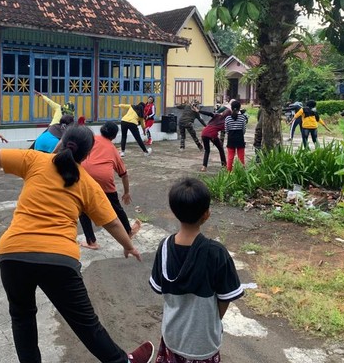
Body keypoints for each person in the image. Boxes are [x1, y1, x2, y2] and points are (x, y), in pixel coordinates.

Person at [0, 125, 155, 363]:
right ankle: (122, 362)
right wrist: (128, 245)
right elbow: (113, 223)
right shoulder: (87, 183)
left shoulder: (34, 159)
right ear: (86, 155)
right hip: (58, 258)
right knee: (85, 322)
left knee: (22, 317)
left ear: (61, 142)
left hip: (12, 253)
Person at [150, 177, 244, 363]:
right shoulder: (217, 253)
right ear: (206, 214)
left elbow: (160, 289)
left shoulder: (164, 248)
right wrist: (211, 321)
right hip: (203, 344)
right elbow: (225, 299)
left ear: (174, 212)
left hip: (173, 337)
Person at [79, 121, 140, 249]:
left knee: (83, 208)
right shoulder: (112, 149)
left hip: (83, 175)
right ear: (113, 136)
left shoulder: (91, 139)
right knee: (116, 207)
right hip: (104, 179)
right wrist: (126, 193)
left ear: (101, 130)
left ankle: (91, 242)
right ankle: (128, 232)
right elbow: (124, 174)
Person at [197, 107, 227, 172]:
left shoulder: (217, 115)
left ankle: (204, 167)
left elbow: (209, 113)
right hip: (212, 134)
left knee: (207, 150)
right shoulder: (225, 122)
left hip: (204, 132)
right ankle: (224, 165)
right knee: (221, 149)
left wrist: (199, 111)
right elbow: (225, 131)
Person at [224, 100, 249, 171]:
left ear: (231, 108)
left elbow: (226, 130)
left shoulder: (227, 118)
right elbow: (244, 129)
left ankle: (229, 173)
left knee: (230, 157)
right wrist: (240, 134)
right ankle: (241, 172)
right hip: (240, 138)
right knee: (241, 157)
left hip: (231, 139)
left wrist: (231, 134)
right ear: (239, 108)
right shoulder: (242, 118)